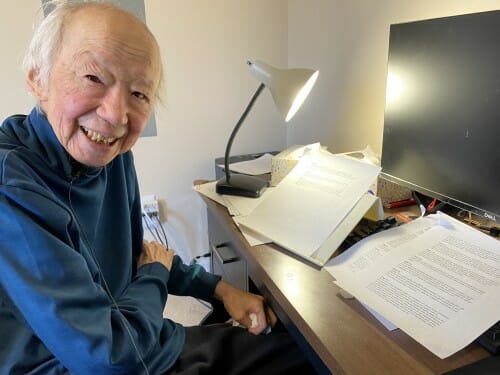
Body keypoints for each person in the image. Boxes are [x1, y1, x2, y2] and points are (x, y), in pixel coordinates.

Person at [0, 1, 316, 374]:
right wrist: (154, 277)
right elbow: (108, 357)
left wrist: (221, 289)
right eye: (93, 78)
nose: (117, 115)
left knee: (294, 346)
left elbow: (140, 254)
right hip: (95, 363)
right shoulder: (12, 186)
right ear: (38, 77)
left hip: (142, 341)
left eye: (139, 94)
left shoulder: (111, 157)